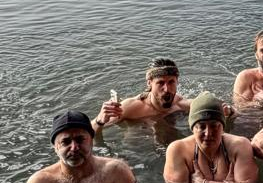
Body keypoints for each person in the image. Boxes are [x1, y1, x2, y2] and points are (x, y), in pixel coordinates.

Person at [23, 110, 136, 183]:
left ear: (91, 141)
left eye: (80, 139)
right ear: (55, 147)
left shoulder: (116, 170)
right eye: (65, 142)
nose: (74, 147)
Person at [92, 56, 232, 131]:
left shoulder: (180, 104)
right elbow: (88, 132)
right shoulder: (131, 107)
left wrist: (228, 112)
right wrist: (100, 120)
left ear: (177, 82)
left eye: (171, 82)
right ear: (149, 83)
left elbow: (211, 104)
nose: (166, 88)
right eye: (160, 83)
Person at [163, 92, 258, 183]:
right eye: (202, 126)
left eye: (214, 126)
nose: (208, 134)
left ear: (222, 127)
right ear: (193, 129)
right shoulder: (178, 150)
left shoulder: (240, 145)